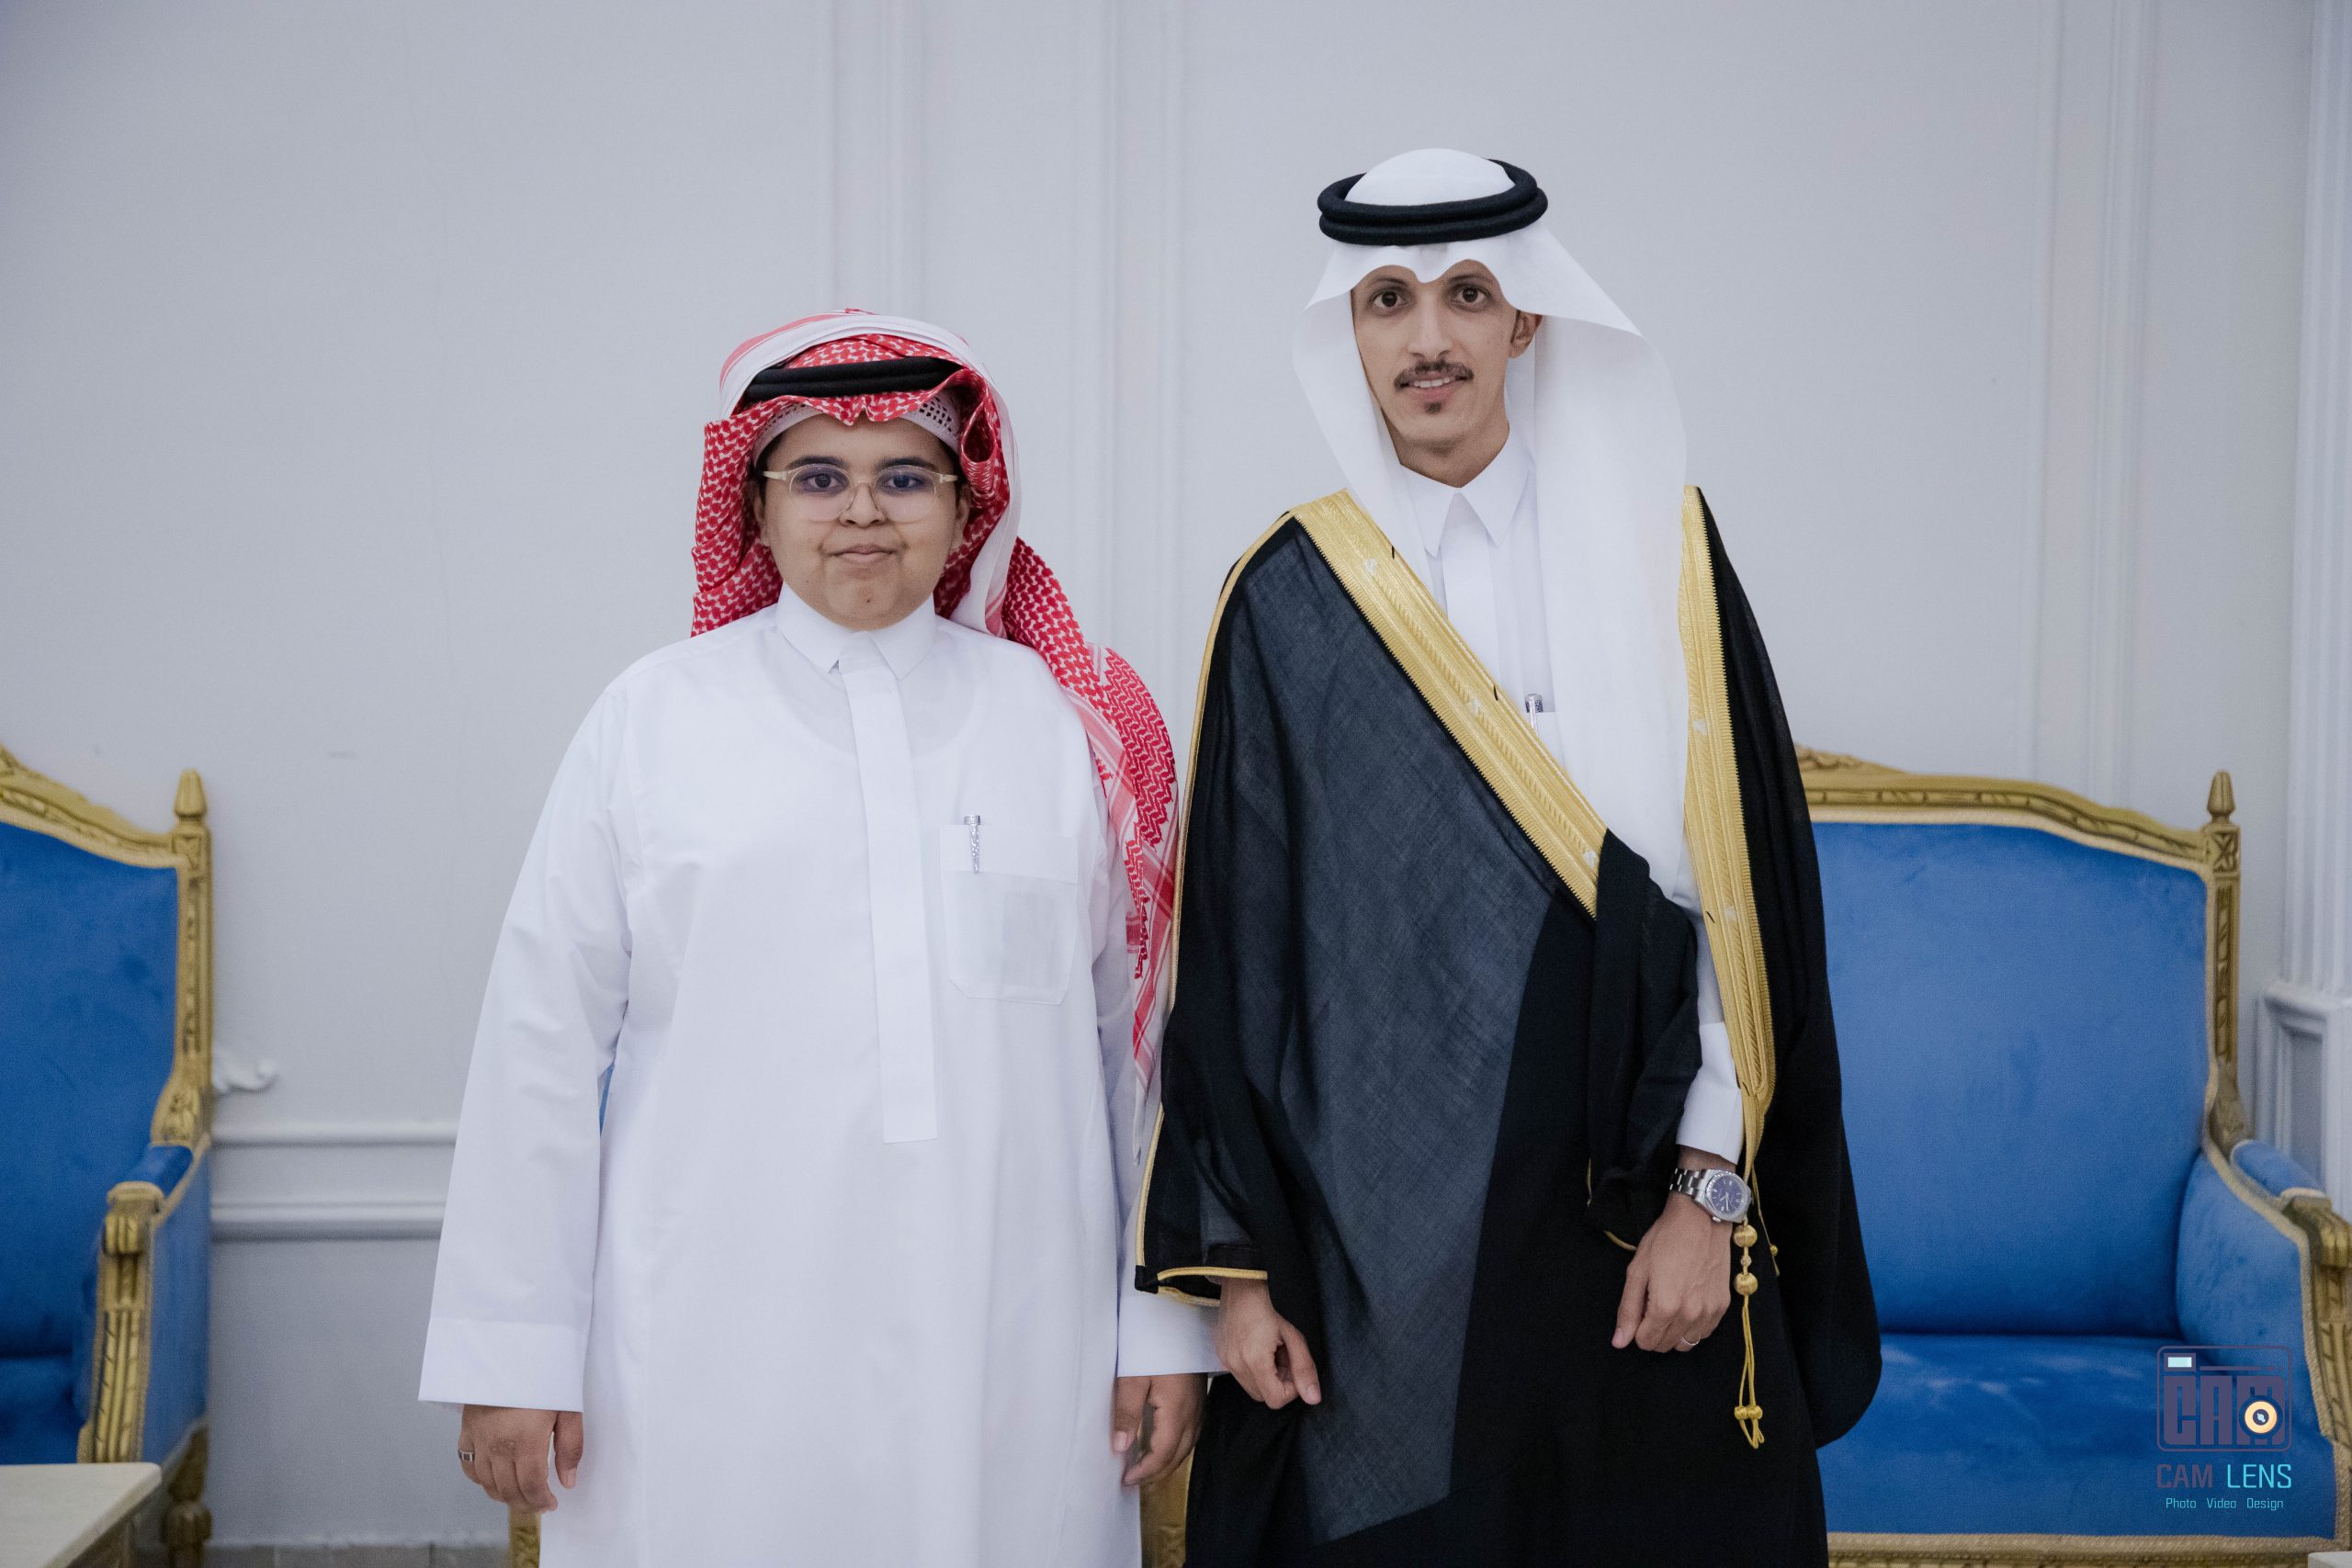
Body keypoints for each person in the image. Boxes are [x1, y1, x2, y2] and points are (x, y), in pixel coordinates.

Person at [1135, 151, 1881, 1565]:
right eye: (1388, 301)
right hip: (1378, 1245)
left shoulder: (1663, 551)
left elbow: (1736, 907)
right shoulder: (1293, 595)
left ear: (1527, 318)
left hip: (1635, 1219)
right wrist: (1241, 1280)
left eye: (1468, 295)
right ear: (1350, 334)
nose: (1428, 338)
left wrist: (1706, 1196)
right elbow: (1239, 957)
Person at [420, 311, 1216, 1566]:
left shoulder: (1068, 725)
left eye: (905, 477)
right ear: (756, 504)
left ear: (966, 502)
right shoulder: (651, 721)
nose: (862, 513)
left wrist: (1159, 1327)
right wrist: (511, 1355)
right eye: (819, 478)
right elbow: (541, 1047)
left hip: (1014, 1337)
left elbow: (1142, 1064)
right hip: (711, 1340)